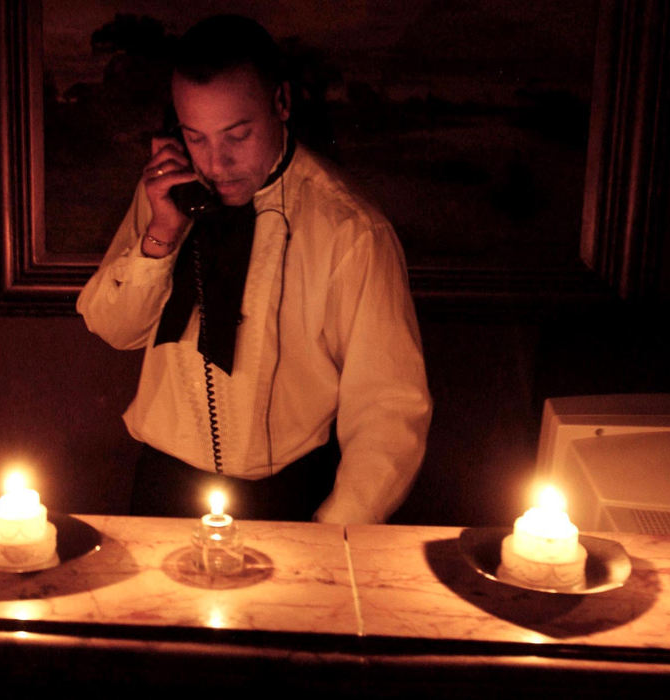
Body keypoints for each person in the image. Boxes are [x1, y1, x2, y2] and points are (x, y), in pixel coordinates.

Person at [77, 15, 432, 524]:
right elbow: (114, 329)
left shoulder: (352, 232)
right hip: (163, 490)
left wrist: (337, 533)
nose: (216, 163)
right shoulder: (166, 194)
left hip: (288, 499)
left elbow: (389, 407)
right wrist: (161, 235)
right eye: (195, 137)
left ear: (281, 103)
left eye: (237, 135)